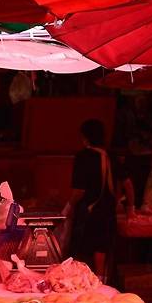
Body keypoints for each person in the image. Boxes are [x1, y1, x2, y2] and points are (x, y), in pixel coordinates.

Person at [66, 119, 116, 280]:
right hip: (108, 211)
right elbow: (127, 183)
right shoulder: (111, 155)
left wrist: (68, 207)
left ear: (85, 137)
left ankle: (83, 282)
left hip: (89, 211)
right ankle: (103, 280)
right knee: (102, 246)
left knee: (83, 249)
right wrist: (130, 208)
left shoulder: (84, 156)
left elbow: (79, 190)